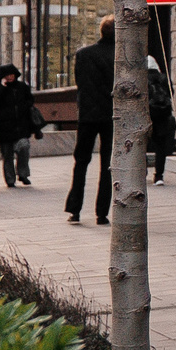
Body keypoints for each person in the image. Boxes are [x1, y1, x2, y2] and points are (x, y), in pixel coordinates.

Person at [67, 17, 116, 226]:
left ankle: (75, 210)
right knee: (108, 165)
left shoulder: (83, 54)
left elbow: (80, 84)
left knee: (81, 162)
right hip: (111, 116)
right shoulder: (120, 56)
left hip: (87, 116)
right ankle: (102, 214)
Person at [0, 63, 34, 188]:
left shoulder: (22, 87)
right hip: (4, 128)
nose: (10, 77)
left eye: (12, 75)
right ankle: (10, 179)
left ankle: (23, 174)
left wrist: (24, 107)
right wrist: (3, 87)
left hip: (21, 126)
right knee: (7, 155)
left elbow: (30, 100)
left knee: (24, 147)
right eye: (7, 75)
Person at [146, 53, 174, 185]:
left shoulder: (141, 79)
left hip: (147, 115)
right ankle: (159, 176)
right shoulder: (164, 78)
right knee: (160, 147)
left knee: (141, 145)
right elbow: (171, 94)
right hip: (163, 116)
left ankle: (143, 171)